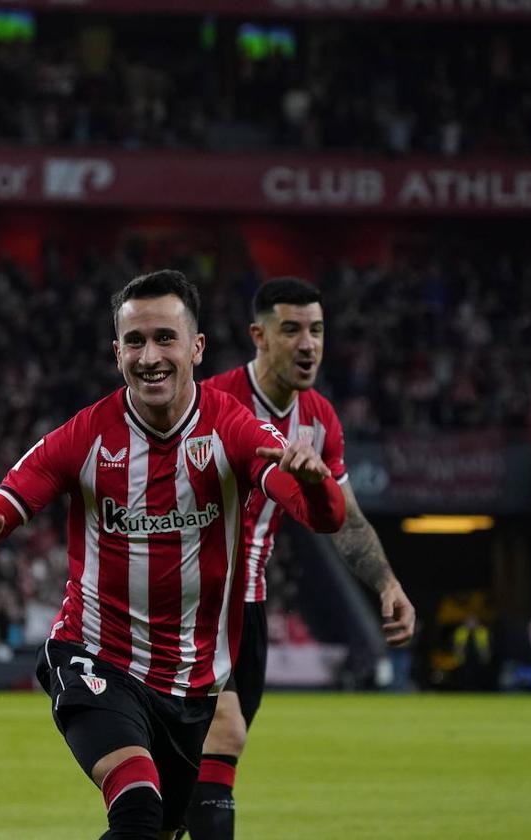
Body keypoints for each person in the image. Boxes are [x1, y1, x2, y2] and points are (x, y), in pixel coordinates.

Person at [0, 270, 347, 839]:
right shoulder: (86, 435)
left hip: (189, 683)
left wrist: (311, 483)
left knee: (157, 828)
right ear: (117, 352)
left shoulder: (232, 429)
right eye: (135, 341)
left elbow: (323, 515)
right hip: (96, 654)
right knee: (135, 803)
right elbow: (1, 503)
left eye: (165, 338)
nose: (150, 355)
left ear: (196, 348)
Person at [185, 277, 415, 840]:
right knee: (223, 733)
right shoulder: (209, 402)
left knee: (202, 775)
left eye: (316, 330)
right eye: (292, 330)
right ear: (259, 337)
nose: (307, 343)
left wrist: (387, 583)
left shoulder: (319, 420)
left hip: (250, 613)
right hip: (191, 606)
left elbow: (346, 518)